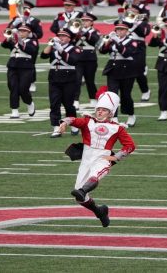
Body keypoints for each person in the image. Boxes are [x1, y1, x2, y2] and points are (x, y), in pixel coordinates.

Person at [59, 90, 136, 228]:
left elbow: (130, 145)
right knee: (79, 197)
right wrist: (64, 122)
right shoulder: (88, 121)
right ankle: (100, 211)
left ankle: (84, 190)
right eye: (98, 109)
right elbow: (73, 120)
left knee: (93, 177)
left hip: (103, 158)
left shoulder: (117, 128)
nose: (100, 112)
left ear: (111, 113)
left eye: (104, 110)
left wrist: (116, 157)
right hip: (87, 158)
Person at [99, 19, 142, 127]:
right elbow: (102, 51)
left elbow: (126, 53)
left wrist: (117, 41)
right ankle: (114, 117)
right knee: (112, 95)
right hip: (113, 70)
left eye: (122, 29)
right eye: (117, 29)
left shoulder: (132, 42)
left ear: (127, 31)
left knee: (126, 95)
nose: (119, 31)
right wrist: (107, 42)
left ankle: (131, 114)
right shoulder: (112, 40)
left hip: (127, 70)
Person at [40, 28, 82, 138]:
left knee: (68, 104)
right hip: (54, 78)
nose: (61, 38)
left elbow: (73, 60)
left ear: (69, 38)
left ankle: (73, 123)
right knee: (54, 104)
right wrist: (50, 44)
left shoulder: (75, 49)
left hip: (69, 79)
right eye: (60, 36)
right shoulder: (54, 47)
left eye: (64, 36)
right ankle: (56, 128)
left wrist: (61, 50)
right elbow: (43, 55)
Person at [1, 24, 38, 118]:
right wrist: (9, 38)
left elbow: (30, 50)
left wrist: (19, 41)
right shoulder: (14, 40)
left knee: (23, 89)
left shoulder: (33, 41)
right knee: (13, 87)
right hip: (13, 65)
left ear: (29, 33)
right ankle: (14, 110)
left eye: (24, 31)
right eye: (20, 31)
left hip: (26, 67)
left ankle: (29, 103)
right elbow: (3, 45)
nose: (21, 33)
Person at [73, 12, 100, 109]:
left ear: (92, 22)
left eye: (87, 21)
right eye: (83, 20)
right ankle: (75, 100)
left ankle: (93, 99)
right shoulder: (75, 31)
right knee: (77, 80)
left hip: (90, 59)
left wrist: (84, 32)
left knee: (90, 80)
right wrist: (76, 32)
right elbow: (72, 41)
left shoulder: (95, 31)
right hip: (77, 58)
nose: (84, 22)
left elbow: (95, 40)